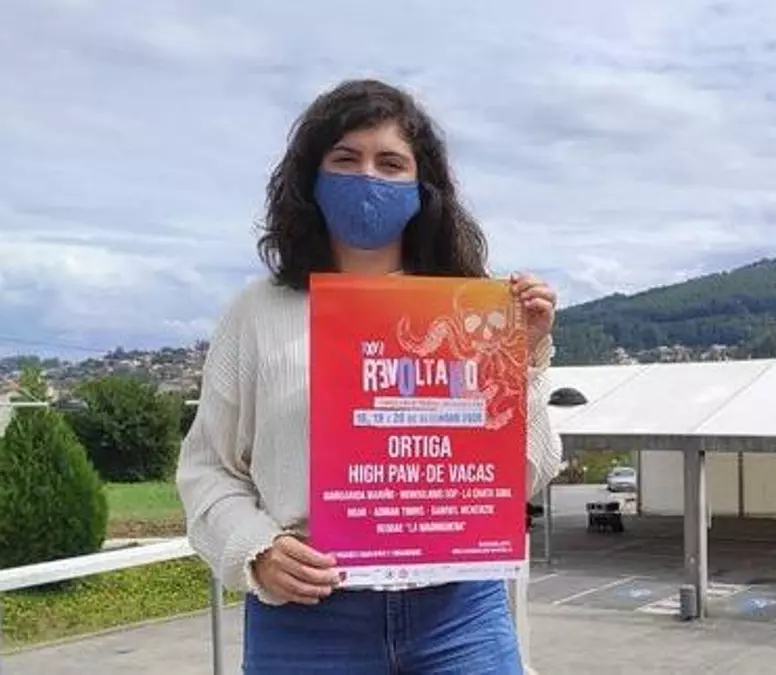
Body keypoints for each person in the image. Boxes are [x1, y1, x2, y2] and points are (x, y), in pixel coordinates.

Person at [176, 79, 563, 675]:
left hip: (459, 611)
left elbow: (524, 474)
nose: (368, 177)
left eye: (390, 163)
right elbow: (207, 468)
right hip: (308, 616)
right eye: (345, 159)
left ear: (422, 186)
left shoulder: (467, 315)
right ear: (310, 177)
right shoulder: (257, 313)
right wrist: (256, 549)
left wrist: (522, 360)